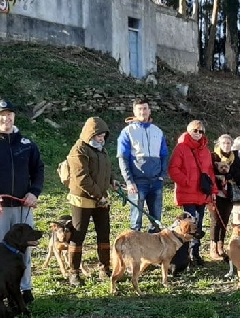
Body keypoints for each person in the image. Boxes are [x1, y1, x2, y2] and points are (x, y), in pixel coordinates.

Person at [0, 99, 45, 304]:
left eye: (10, 114)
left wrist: (34, 192)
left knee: (25, 249)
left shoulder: (27, 144)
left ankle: (24, 289)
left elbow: (38, 169)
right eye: (2, 115)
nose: (7, 118)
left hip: (23, 207)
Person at [66, 117, 116, 286]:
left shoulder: (101, 150)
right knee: (78, 235)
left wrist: (112, 180)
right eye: (98, 136)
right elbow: (82, 178)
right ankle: (73, 272)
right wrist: (98, 196)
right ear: (89, 135)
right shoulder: (79, 150)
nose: (101, 138)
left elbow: (106, 168)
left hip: (101, 198)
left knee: (104, 233)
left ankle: (105, 268)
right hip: (83, 199)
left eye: (103, 135)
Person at [169, 120, 218, 266]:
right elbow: (173, 168)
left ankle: (195, 253)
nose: (197, 134)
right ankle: (184, 255)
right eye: (195, 131)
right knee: (187, 225)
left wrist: (213, 190)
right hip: (187, 193)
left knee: (199, 225)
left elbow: (210, 172)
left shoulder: (205, 150)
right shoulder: (181, 148)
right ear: (189, 131)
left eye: (200, 131)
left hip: (201, 194)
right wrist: (186, 181)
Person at [116, 98, 169, 233]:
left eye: (145, 108)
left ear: (149, 111)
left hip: (156, 181)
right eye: (139, 109)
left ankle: (153, 252)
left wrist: (162, 175)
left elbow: (164, 155)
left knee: (156, 221)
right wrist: (129, 181)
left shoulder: (157, 131)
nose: (143, 112)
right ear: (134, 111)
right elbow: (123, 158)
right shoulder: (127, 132)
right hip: (137, 183)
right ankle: (135, 251)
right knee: (136, 221)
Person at [209, 134, 240, 259]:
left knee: (225, 220)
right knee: (215, 220)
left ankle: (221, 245)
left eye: (228, 143)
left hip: (229, 194)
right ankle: (213, 247)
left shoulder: (234, 158)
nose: (226, 145)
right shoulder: (213, 156)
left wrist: (229, 174)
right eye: (223, 143)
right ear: (219, 144)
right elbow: (209, 174)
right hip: (216, 193)